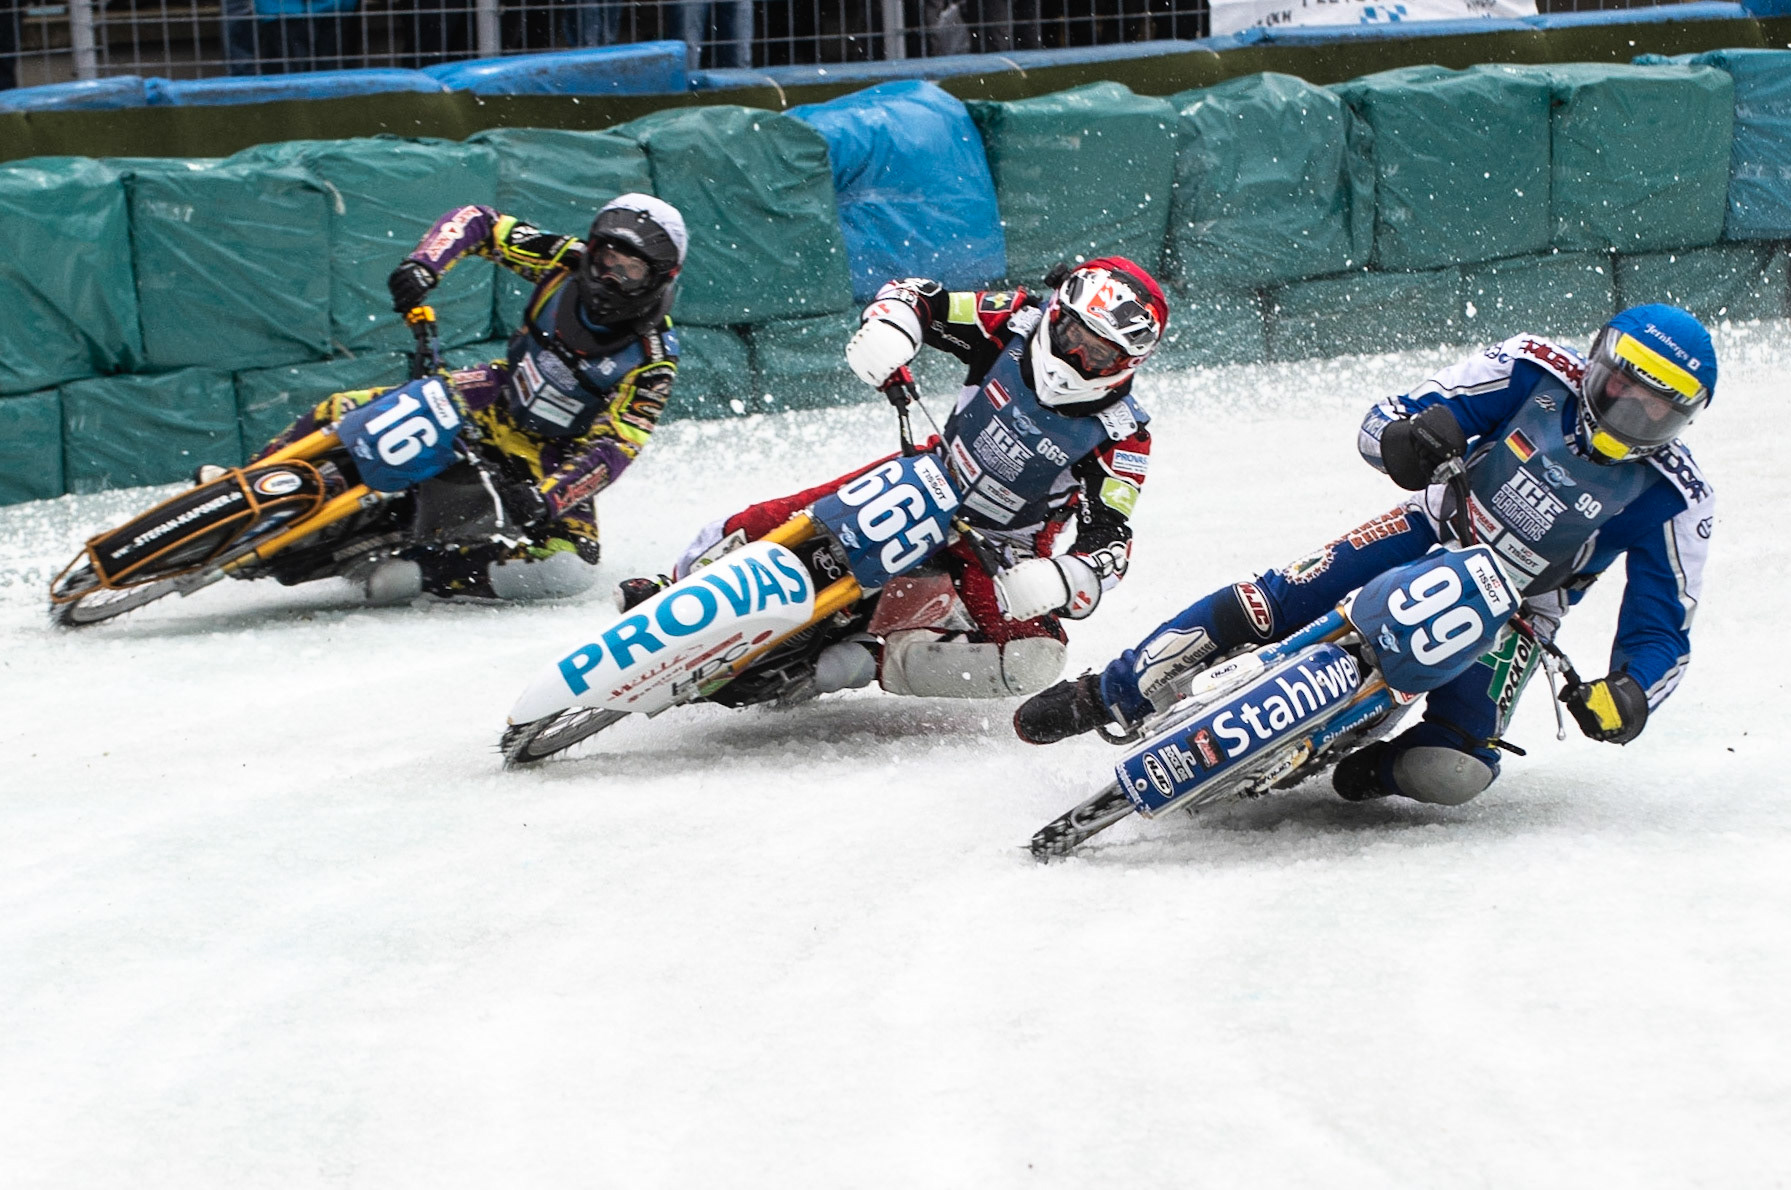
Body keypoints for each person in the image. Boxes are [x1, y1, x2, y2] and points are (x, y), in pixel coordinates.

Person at [1015, 304, 1717, 807]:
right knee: (1266, 601)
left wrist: (1629, 693)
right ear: (1597, 363)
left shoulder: (1676, 497)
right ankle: (1108, 690)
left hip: (1522, 612)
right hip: (1436, 527)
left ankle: (1375, 769)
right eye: (1623, 388)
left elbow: (1662, 630)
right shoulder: (1529, 368)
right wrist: (1411, 440)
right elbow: (1383, 417)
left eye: (1660, 408)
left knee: (1454, 768)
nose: (1633, 413)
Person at [623, 258, 1169, 700]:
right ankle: (676, 588)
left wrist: (1065, 577)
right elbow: (921, 296)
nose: (1076, 354)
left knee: (1035, 661)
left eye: (1098, 351)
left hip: (999, 550)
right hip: (929, 475)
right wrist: (893, 325)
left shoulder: (1123, 435)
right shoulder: (1014, 320)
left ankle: (858, 661)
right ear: (1057, 311)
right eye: (1073, 331)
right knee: (772, 517)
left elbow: (1111, 538)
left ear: (1129, 361)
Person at [253, 193, 685, 602]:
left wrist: (549, 497)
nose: (610, 276)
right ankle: (246, 479)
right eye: (607, 259)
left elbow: (616, 447)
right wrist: (424, 266)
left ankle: (424, 572)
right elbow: (482, 222)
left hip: (551, 457)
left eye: (630, 270)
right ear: (592, 250)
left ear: (660, 279)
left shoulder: (653, 358)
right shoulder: (562, 259)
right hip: (494, 397)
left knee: (569, 569)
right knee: (344, 409)